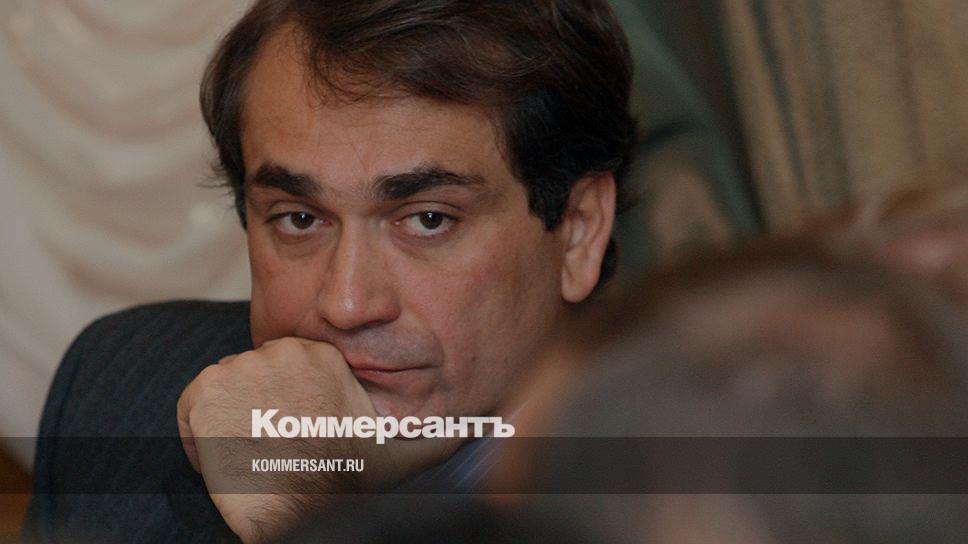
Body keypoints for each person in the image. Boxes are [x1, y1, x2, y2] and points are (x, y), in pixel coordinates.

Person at [23, 1, 636, 542]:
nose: (346, 304)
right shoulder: (122, 385)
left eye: (427, 220)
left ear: (578, 231)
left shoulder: (672, 490)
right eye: (299, 219)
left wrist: (298, 511)